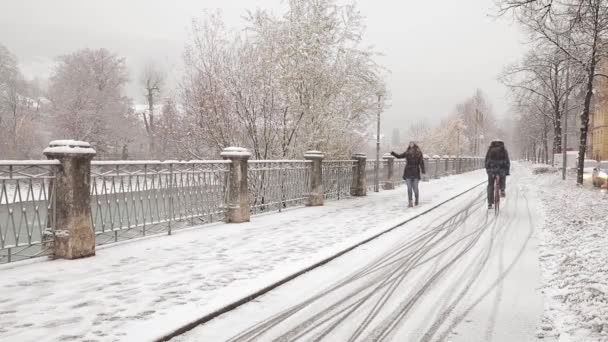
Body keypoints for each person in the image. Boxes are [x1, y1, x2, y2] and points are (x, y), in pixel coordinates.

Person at [391, 142, 425, 208]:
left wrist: (423, 171)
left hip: (415, 173)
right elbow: (399, 156)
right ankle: (410, 202)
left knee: (415, 188)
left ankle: (416, 199)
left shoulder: (419, 153)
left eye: (412, 144)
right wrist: (393, 153)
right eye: (410, 144)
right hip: (408, 172)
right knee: (409, 188)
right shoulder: (407, 152)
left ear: (414, 145)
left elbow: (421, 162)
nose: (411, 145)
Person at [485, 139, 510, 209]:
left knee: (490, 185)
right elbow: (507, 161)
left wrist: (488, 169)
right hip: (501, 170)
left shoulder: (490, 150)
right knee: (503, 177)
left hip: (492, 170)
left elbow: (486, 160)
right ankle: (502, 189)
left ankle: (490, 203)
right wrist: (507, 171)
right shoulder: (503, 150)